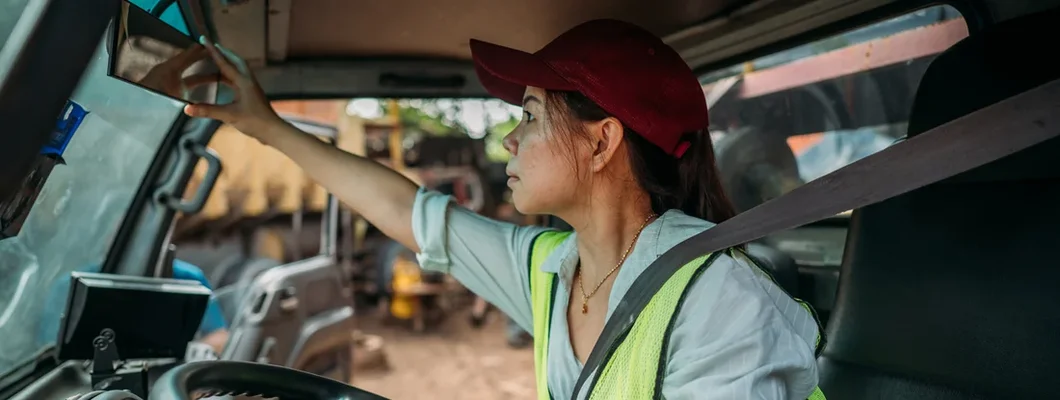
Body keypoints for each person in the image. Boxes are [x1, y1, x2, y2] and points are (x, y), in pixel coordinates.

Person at [180, 19, 824, 399]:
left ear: (602, 141)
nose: (510, 140)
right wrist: (266, 126)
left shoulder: (726, 304)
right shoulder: (553, 268)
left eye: (530, 115)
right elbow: (407, 210)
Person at [39, 259, 230, 355]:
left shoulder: (189, 278)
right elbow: (51, 355)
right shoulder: (70, 286)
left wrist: (190, 355)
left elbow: (221, 336)